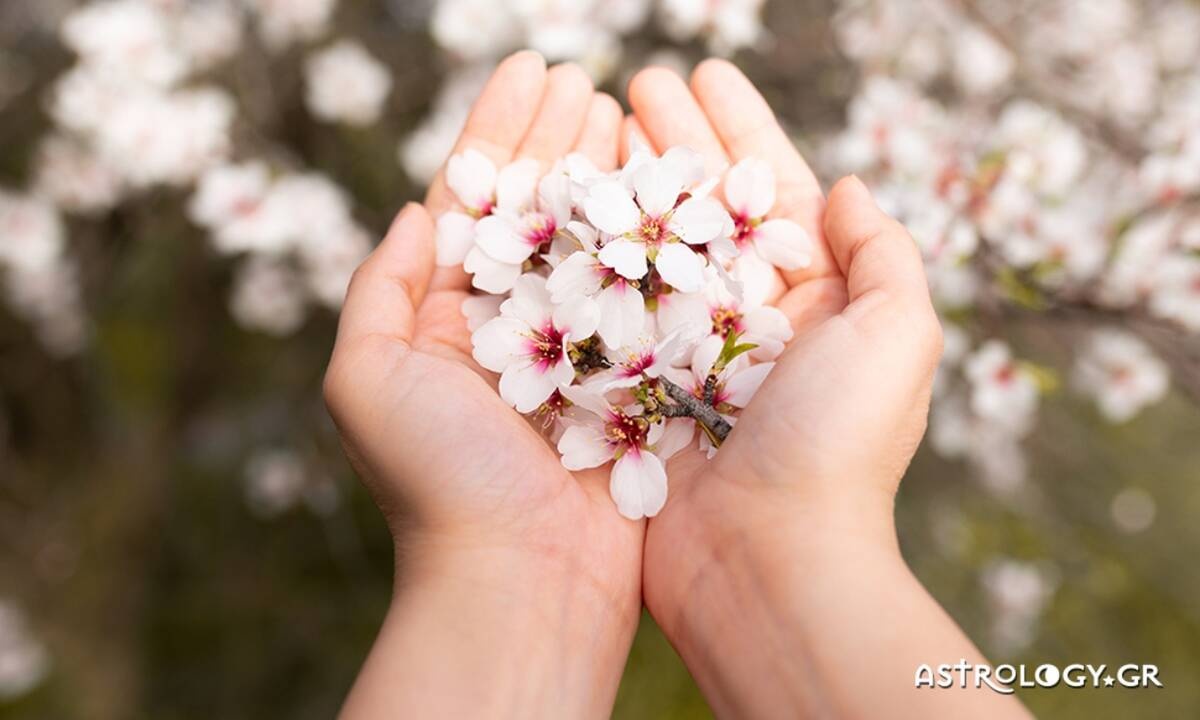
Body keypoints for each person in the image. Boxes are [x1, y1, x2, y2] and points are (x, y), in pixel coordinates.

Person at [323, 50, 1032, 719]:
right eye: (651, 229)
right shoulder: (581, 298)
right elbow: (586, 314)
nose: (656, 233)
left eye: (659, 228)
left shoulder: (687, 300)